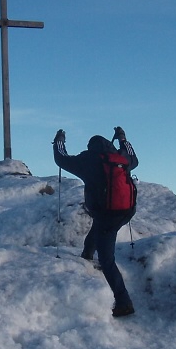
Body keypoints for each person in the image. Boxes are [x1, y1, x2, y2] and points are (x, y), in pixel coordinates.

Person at [53, 126, 138, 318]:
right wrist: (123, 139)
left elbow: (61, 158)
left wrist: (59, 140)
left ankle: (124, 301)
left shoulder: (88, 160)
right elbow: (135, 158)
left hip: (107, 214)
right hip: (126, 211)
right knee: (100, 225)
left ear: (91, 147)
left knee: (107, 259)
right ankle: (87, 253)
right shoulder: (121, 158)